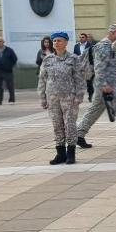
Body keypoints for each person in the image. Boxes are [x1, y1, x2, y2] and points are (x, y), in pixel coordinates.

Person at [76, 23, 116, 149]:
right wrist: (104, 85)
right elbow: (99, 68)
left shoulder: (115, 46)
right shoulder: (104, 46)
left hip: (110, 83)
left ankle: (79, 134)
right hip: (107, 84)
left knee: (95, 110)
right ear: (112, 33)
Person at [38, 31, 85, 165]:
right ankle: (60, 153)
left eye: (59, 40)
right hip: (52, 98)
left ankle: (71, 153)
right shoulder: (47, 60)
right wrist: (42, 98)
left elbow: (79, 79)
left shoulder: (73, 59)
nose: (56, 43)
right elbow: (42, 80)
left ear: (65, 43)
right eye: (54, 41)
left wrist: (79, 96)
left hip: (69, 98)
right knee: (57, 125)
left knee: (69, 125)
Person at [0, 36, 18, 105]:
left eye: (1, 41)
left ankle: (11, 100)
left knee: (10, 86)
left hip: (8, 71)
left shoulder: (9, 50)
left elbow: (14, 59)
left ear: (3, 42)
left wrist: (10, 66)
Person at [74, 33, 95, 101]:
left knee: (89, 82)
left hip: (88, 66)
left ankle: (90, 95)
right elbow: (75, 55)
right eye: (80, 37)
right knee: (79, 82)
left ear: (86, 38)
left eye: (83, 37)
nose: (81, 38)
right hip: (79, 66)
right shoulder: (76, 46)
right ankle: (79, 96)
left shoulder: (90, 46)